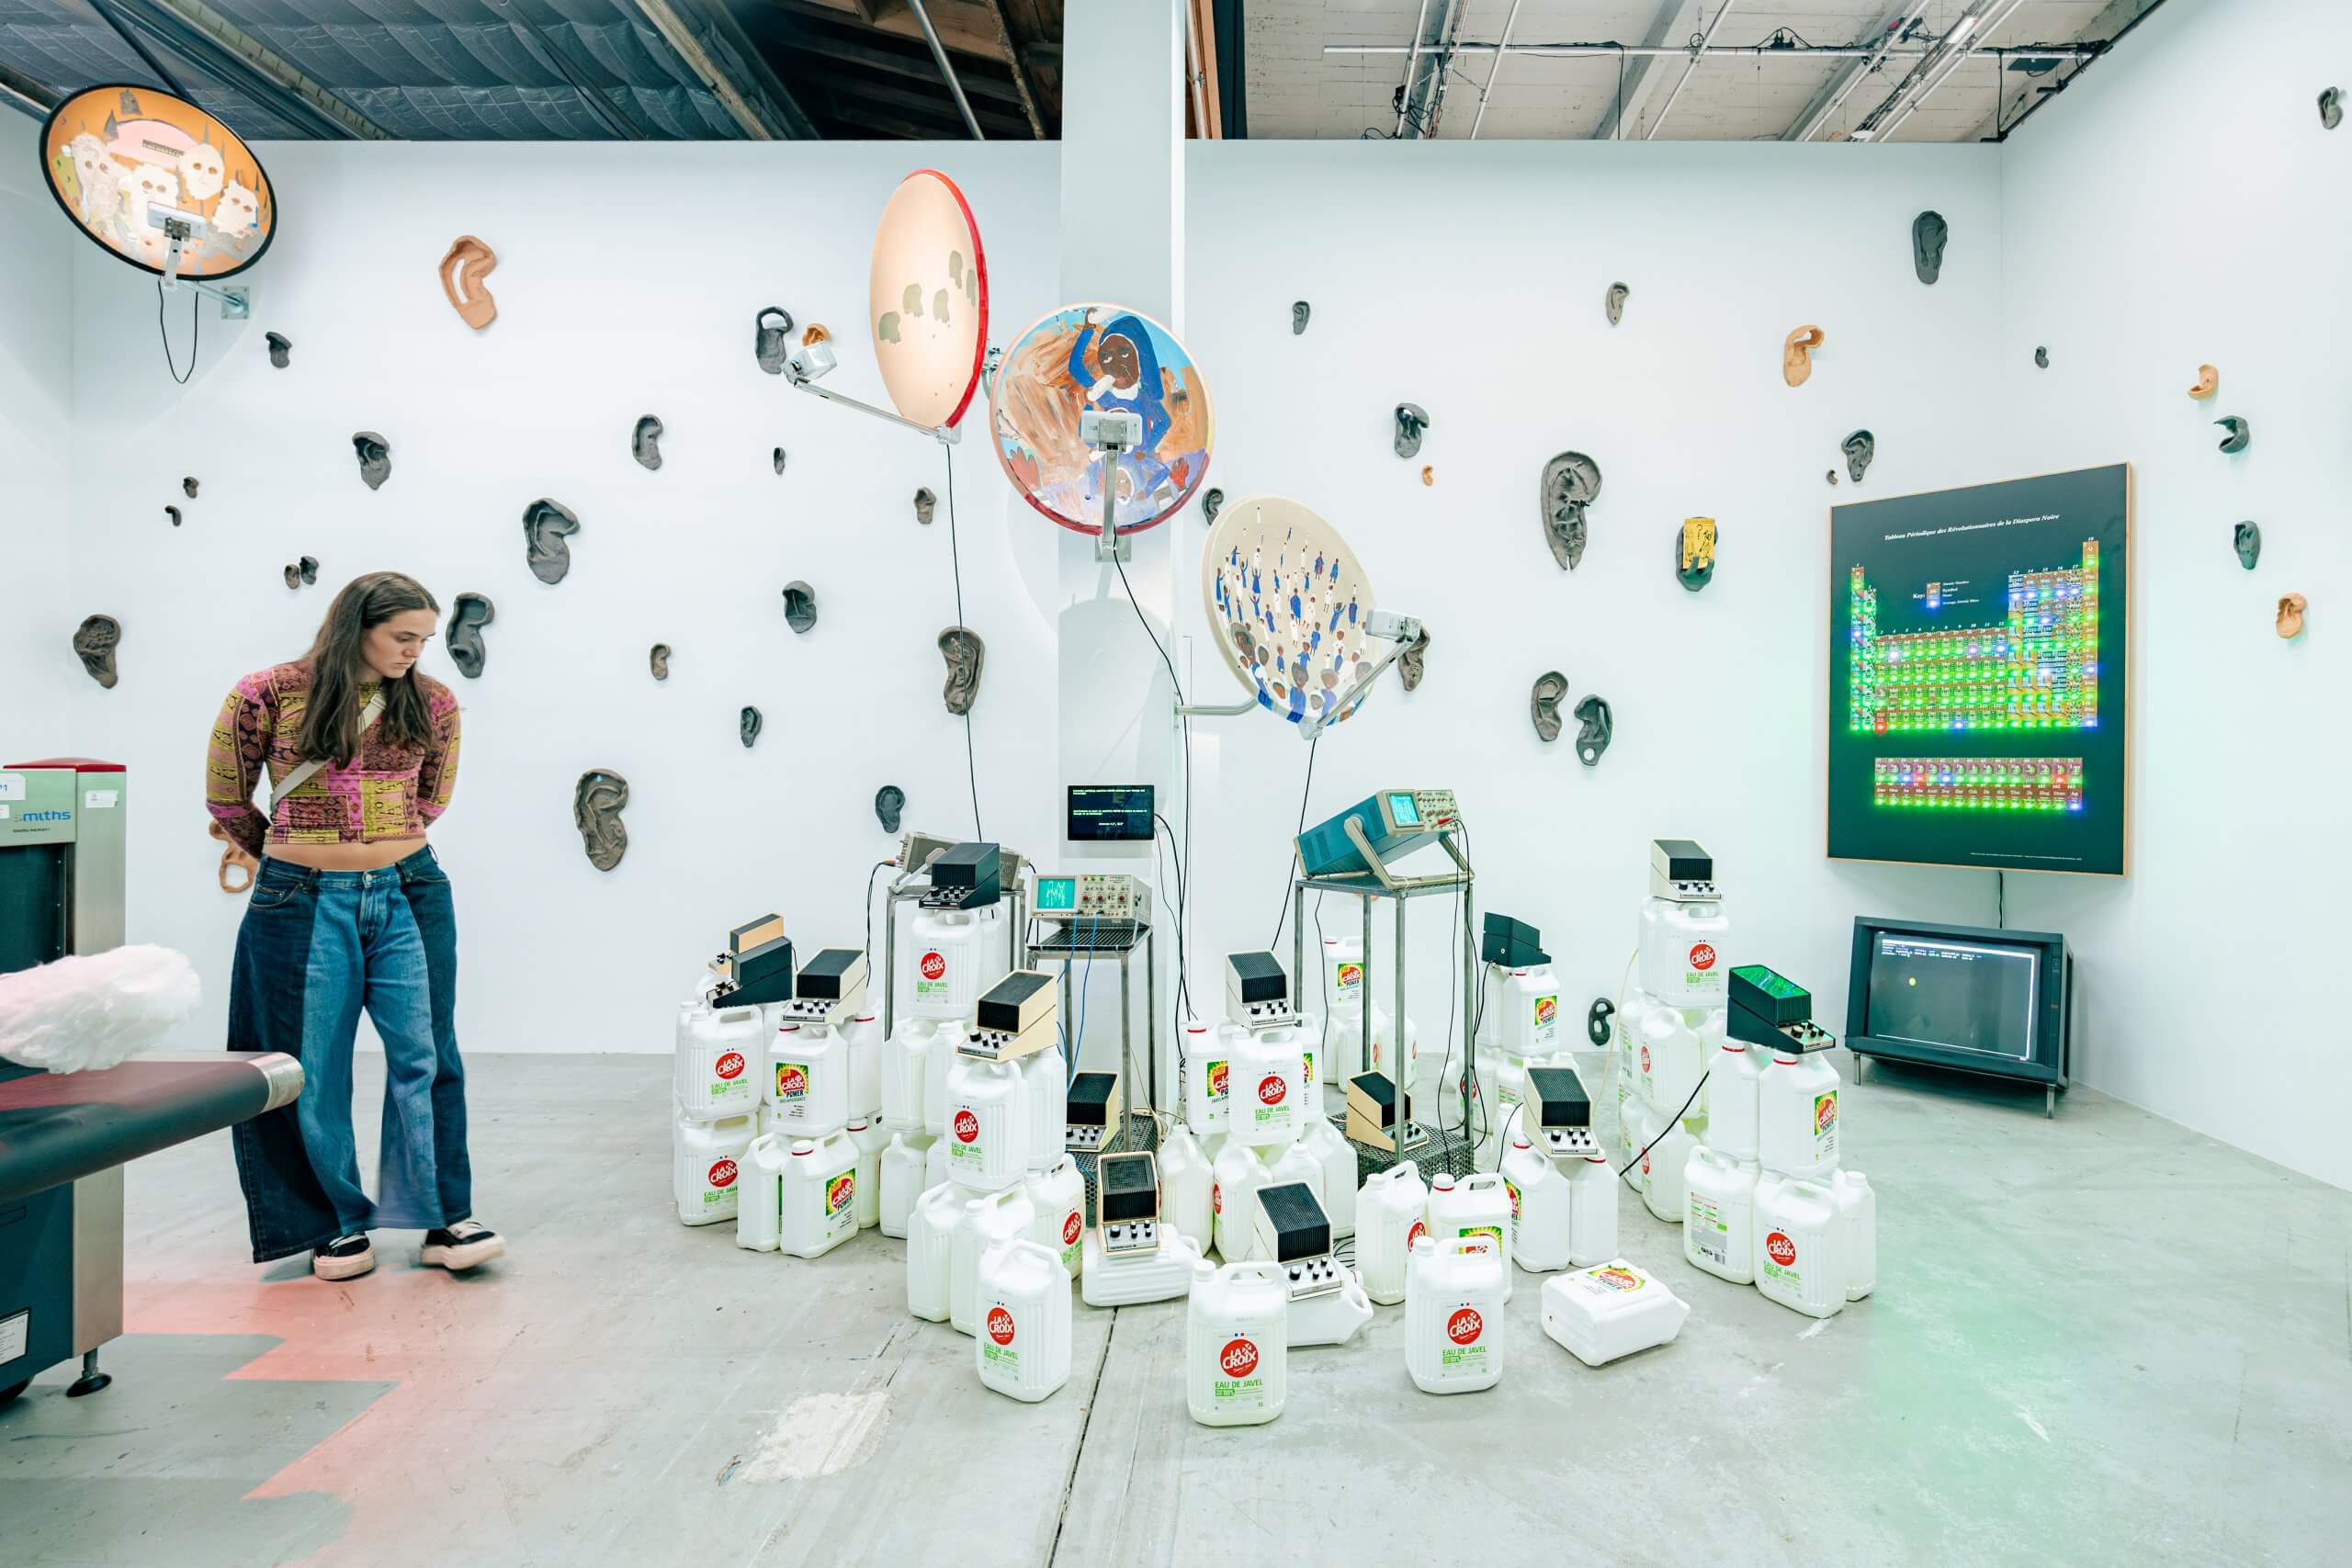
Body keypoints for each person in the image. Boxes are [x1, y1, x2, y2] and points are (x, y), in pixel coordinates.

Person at [207, 571, 502, 1281]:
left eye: (424, 639)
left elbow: (431, 799)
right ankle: (334, 1223)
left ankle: (443, 1216)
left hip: (410, 887)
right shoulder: (265, 693)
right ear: (356, 625)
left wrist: (378, 844)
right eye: (403, 636)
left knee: (426, 1053)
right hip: (300, 896)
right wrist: (292, 853)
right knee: (307, 1063)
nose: (415, 651)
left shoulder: (433, 701)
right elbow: (226, 796)